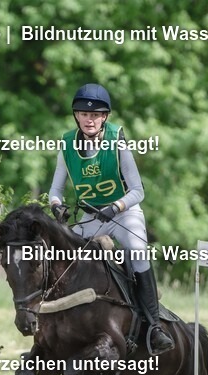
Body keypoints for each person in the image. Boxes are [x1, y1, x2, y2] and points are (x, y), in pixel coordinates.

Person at [48, 82, 174, 355]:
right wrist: (57, 206)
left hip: (124, 214)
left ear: (104, 117)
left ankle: (154, 327)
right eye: (83, 114)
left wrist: (115, 207)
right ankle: (56, 320)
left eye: (95, 115)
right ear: (76, 116)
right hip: (90, 216)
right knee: (64, 260)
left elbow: (138, 190)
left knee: (138, 253)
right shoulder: (67, 144)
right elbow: (56, 190)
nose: (89, 119)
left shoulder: (117, 140)